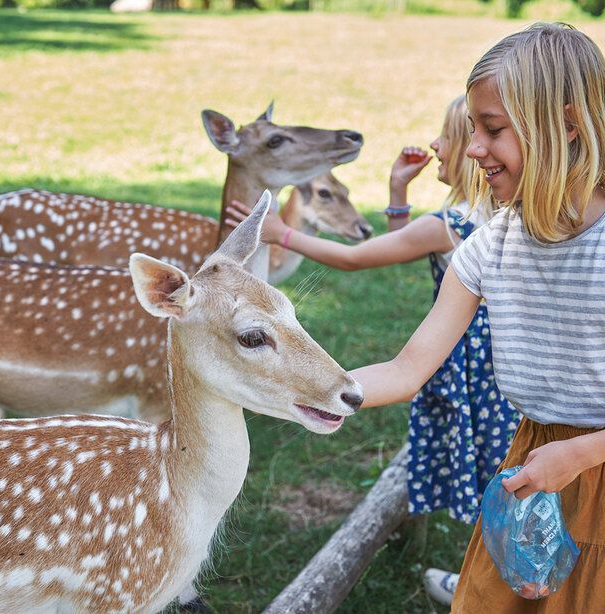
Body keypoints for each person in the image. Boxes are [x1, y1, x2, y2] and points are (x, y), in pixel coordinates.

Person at [348, 22, 605, 612]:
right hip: (530, 462)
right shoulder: (489, 246)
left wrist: (581, 454)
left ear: (567, 125)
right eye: (474, 128)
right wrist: (314, 388)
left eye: (492, 129)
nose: (473, 149)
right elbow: (407, 368)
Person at [226, 95, 520, 606]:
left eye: (448, 137)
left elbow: (359, 257)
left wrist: (282, 233)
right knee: (507, 479)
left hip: (463, 369)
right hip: (502, 370)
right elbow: (401, 243)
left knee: (489, 476)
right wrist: (398, 190)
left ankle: (496, 587)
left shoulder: (449, 223)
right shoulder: (498, 217)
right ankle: (498, 578)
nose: (435, 145)